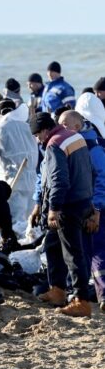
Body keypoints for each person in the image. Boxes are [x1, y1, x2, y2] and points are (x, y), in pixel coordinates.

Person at [30, 112, 92, 317]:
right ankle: (57, 290)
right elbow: (88, 170)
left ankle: (81, 301)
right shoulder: (75, 136)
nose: (38, 139)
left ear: (45, 130)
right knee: (52, 245)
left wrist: (54, 209)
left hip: (68, 205)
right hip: (82, 199)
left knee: (73, 254)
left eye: (37, 134)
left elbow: (58, 180)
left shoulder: (55, 144)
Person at [62, 106, 105, 310]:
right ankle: (83, 295)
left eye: (65, 125)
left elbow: (102, 178)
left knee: (97, 250)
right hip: (83, 206)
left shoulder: (91, 147)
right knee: (85, 250)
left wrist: (96, 208)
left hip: (96, 207)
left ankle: (102, 295)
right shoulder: (76, 142)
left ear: (77, 126)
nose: (61, 129)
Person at [0, 98, 39, 236]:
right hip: (31, 179)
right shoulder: (27, 126)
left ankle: (17, 251)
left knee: (15, 221)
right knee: (30, 220)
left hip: (12, 180)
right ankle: (31, 245)